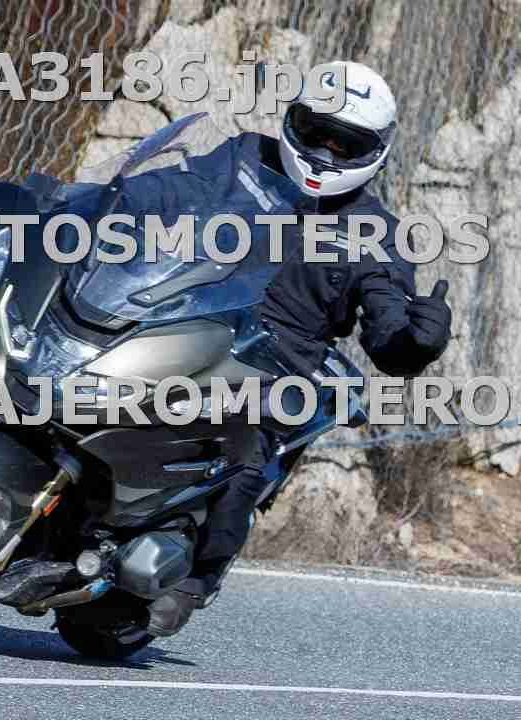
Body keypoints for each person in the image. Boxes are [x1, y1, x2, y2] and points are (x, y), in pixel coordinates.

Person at [130, 61, 454, 637]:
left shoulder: (376, 234)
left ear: (375, 151)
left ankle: (196, 575)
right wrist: (84, 204)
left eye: (346, 144)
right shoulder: (244, 159)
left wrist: (415, 342)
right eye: (316, 132)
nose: (326, 152)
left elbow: (387, 332)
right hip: (177, 319)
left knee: (243, 445)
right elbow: (167, 188)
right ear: (293, 120)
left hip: (270, 368)